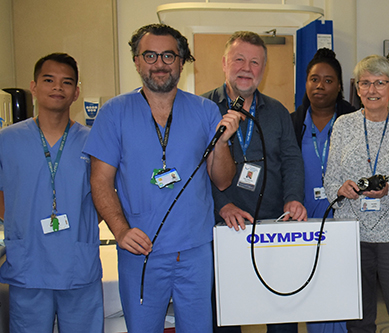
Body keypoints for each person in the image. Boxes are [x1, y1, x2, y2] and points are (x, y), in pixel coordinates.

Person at [84, 24, 240, 333]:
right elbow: (100, 181)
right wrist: (120, 230)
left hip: (194, 251)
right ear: (137, 61)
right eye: (150, 55)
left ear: (182, 62)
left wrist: (221, 143)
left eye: (169, 55)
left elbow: (222, 181)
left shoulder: (205, 111)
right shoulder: (114, 113)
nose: (159, 63)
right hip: (140, 251)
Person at [201, 30, 305, 333]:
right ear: (224, 63)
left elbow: (291, 160)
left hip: (273, 225)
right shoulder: (202, 109)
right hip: (223, 229)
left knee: (283, 310)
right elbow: (194, 169)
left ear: (264, 69)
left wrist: (294, 197)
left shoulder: (277, 112)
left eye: (255, 62)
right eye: (239, 60)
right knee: (226, 314)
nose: (247, 68)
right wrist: (223, 205)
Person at [0, 53, 103, 332]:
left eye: (66, 82)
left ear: (76, 93)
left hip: (77, 265)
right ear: (34, 87)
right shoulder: (6, 140)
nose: (57, 87)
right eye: (49, 80)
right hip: (28, 264)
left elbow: (106, 195)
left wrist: (82, 228)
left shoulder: (93, 141)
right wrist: (19, 224)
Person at [325, 55, 389, 333]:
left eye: (380, 83)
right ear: (357, 88)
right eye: (365, 83)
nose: (372, 90)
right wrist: (340, 190)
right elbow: (330, 177)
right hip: (351, 232)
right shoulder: (343, 124)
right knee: (359, 319)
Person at [290, 47, 357, 333]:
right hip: (304, 223)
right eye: (314, 79)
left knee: (343, 290)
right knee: (311, 290)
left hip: (344, 222)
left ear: (339, 86)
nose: (320, 86)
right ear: (305, 83)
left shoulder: (355, 121)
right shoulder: (292, 123)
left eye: (328, 80)